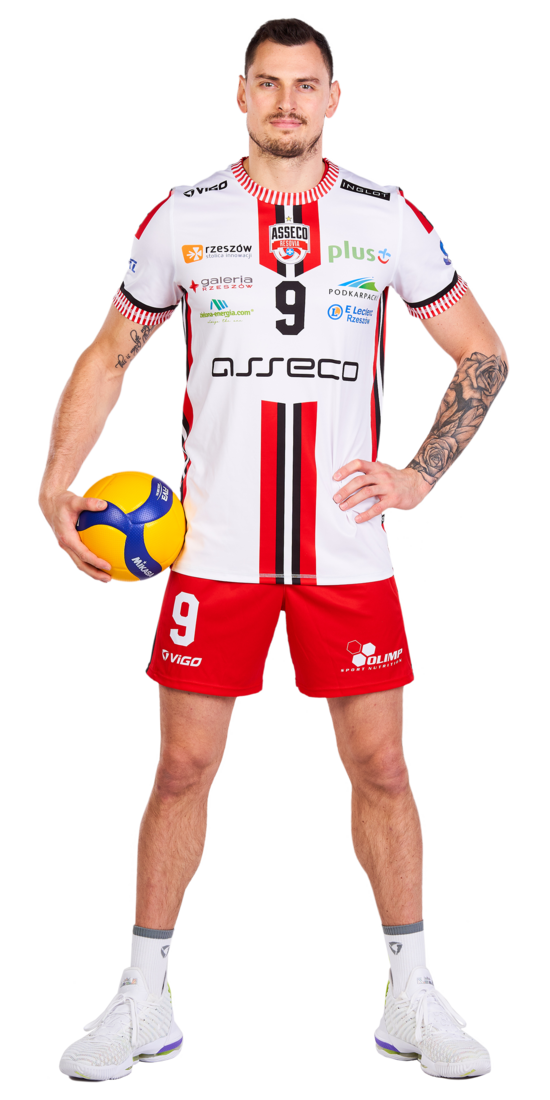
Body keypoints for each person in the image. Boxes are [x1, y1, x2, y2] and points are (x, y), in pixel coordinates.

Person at [37, 16, 510, 1084]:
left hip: (346, 550)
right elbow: (109, 354)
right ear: (240, 95)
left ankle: (414, 990)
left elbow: (482, 351)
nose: (286, 102)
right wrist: (55, 483)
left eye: (305, 84)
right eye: (267, 83)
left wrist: (421, 474)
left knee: (381, 764)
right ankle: (142, 997)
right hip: (214, 548)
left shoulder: (386, 217)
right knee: (183, 768)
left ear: (333, 98)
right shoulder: (183, 216)